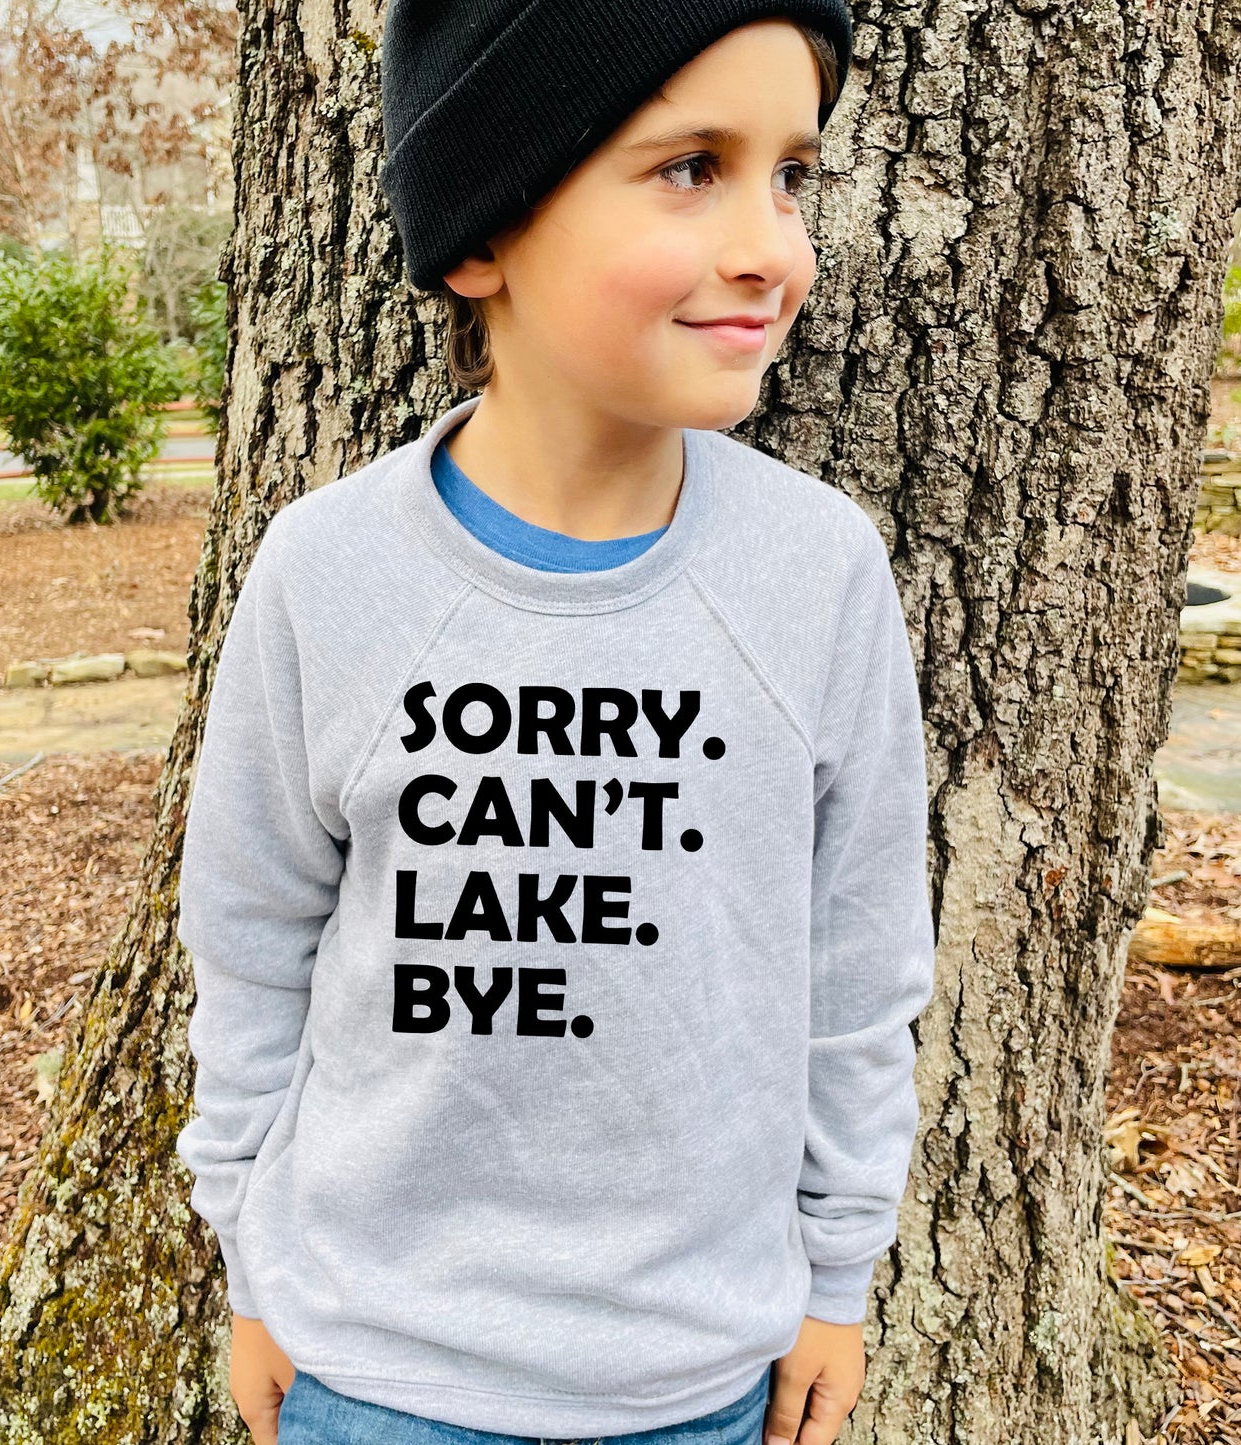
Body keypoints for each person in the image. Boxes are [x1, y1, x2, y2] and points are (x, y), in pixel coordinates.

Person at [175, 2, 936, 1443]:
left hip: (698, 1377)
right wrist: (252, 1261)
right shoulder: (327, 575)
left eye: (791, 173)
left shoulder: (816, 573)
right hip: (373, 1368)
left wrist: (836, 1273)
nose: (770, 246)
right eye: (687, 167)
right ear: (482, 233)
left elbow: (858, 966)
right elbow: (251, 934)